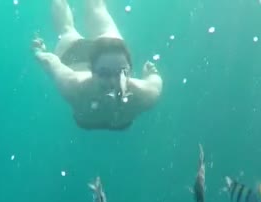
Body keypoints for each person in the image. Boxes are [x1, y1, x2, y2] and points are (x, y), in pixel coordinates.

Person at [32, 0, 163, 131]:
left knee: (90, 14)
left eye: (121, 72)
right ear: (91, 70)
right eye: (105, 74)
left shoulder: (145, 95)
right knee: (68, 27)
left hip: (105, 56)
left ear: (130, 71)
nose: (113, 82)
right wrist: (40, 53)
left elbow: (155, 84)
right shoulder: (74, 86)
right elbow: (51, 63)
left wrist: (40, 52)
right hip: (76, 59)